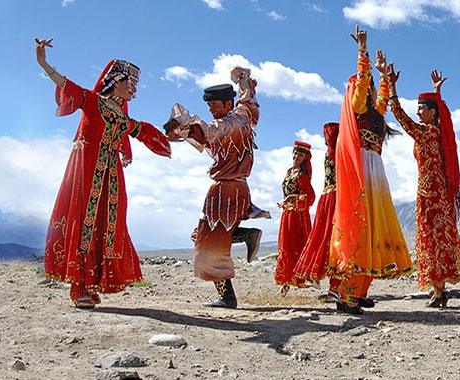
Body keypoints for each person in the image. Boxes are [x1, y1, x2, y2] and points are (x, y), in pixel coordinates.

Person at [34, 38, 172, 308]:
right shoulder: (93, 101)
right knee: (84, 221)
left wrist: (174, 137)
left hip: (110, 175)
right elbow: (65, 85)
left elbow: (144, 132)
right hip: (86, 173)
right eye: (129, 82)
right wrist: (43, 62)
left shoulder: (121, 116)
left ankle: (92, 282)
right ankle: (78, 286)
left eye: (135, 84)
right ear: (115, 81)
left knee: (107, 225)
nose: (133, 88)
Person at [164, 67, 267, 309]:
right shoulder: (243, 116)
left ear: (227, 103)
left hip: (223, 190)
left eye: (215, 105)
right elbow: (247, 99)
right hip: (241, 189)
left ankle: (227, 296)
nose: (212, 110)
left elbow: (201, 130)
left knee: (207, 241)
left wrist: (179, 127)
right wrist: (242, 79)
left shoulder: (222, 125)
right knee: (214, 236)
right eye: (210, 107)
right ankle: (245, 236)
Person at [328, 26, 414, 315]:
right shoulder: (358, 106)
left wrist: (386, 77)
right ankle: (347, 296)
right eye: (369, 86)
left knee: (374, 229)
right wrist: (362, 52)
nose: (373, 89)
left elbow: (383, 101)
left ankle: (361, 291)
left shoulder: (375, 112)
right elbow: (364, 84)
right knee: (362, 228)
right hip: (362, 170)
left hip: (375, 171)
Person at [385, 64, 460, 308]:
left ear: (432, 113)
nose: (418, 112)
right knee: (438, 240)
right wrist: (436, 94)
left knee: (431, 240)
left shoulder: (428, 134)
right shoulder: (439, 133)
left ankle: (439, 291)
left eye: (421, 108)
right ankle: (439, 290)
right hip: (439, 195)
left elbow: (402, 119)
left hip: (429, 196)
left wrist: (392, 88)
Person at [293, 123, 344, 297]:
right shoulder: (339, 153)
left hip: (326, 198)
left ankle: (316, 275)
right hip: (338, 199)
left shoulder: (328, 154)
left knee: (323, 236)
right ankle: (335, 286)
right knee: (338, 239)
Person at [274, 141, 315, 292]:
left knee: (296, 245)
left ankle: (302, 277)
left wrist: (292, 199)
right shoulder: (289, 171)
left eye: (300, 155)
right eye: (295, 153)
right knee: (285, 246)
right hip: (287, 214)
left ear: (305, 158)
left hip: (298, 215)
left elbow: (310, 197)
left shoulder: (303, 176)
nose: (297, 156)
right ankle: (285, 280)